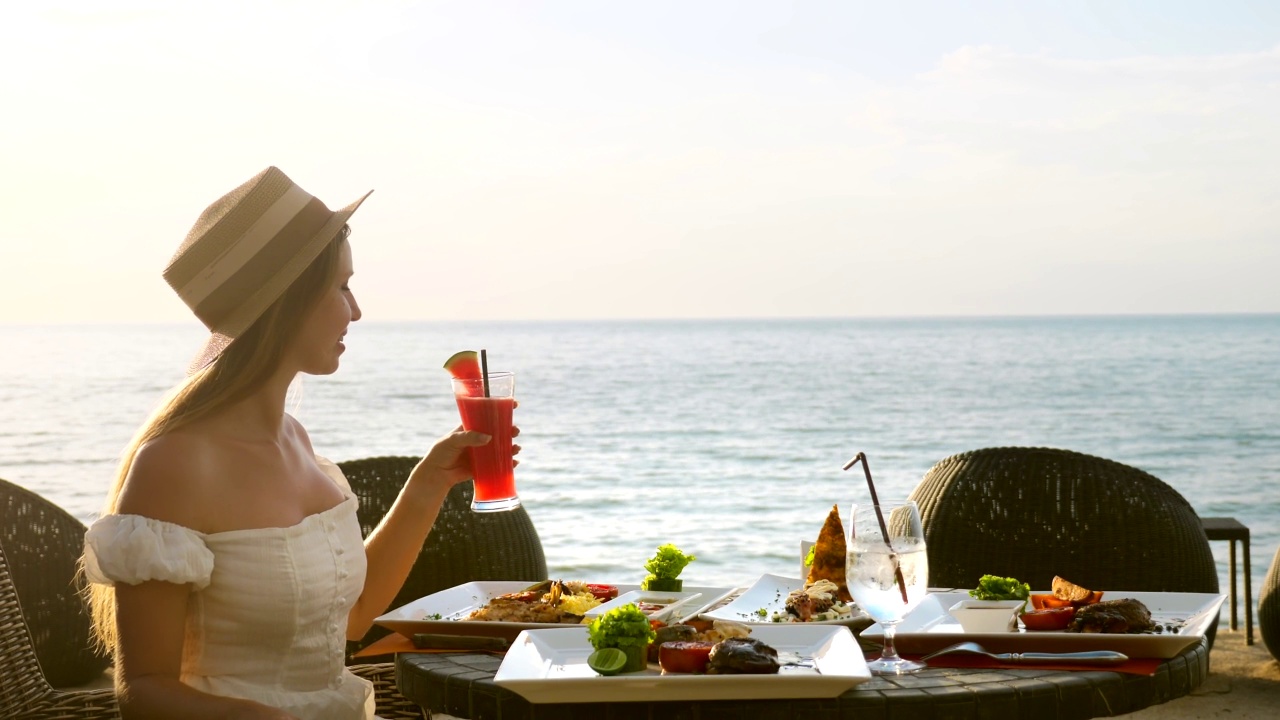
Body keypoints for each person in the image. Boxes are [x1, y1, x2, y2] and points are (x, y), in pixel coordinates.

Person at [81, 167, 515, 719]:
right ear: (288, 302)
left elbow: (354, 616)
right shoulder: (176, 465)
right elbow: (143, 691)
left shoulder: (295, 440)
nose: (355, 311)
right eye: (341, 287)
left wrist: (430, 482)